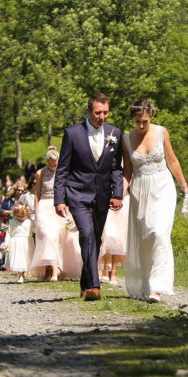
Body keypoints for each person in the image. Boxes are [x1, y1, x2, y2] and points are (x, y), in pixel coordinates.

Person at [55, 93, 124, 301]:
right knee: (86, 234)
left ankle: (85, 284)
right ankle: (94, 286)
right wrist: (59, 199)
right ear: (88, 111)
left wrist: (117, 193)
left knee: (95, 238)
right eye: (97, 113)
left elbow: (116, 168)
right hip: (77, 194)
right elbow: (63, 169)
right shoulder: (72, 133)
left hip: (102, 195)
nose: (102, 117)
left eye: (105, 112)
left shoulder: (115, 133)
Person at [121, 99, 188, 303]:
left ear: (151, 117)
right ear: (132, 120)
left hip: (163, 187)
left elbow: (172, 160)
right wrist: (120, 192)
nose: (141, 126)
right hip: (140, 190)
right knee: (144, 239)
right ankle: (145, 283)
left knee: (160, 233)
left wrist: (184, 185)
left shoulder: (161, 132)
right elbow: (127, 171)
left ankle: (157, 288)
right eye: (137, 122)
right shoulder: (126, 139)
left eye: (145, 121)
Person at [29, 146, 78, 282]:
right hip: (44, 206)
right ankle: (52, 268)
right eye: (51, 164)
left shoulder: (64, 172)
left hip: (60, 205)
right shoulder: (41, 173)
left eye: (55, 164)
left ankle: (58, 269)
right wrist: (36, 211)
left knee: (62, 237)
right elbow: (37, 194)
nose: (53, 167)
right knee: (47, 235)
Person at [98, 171, 130, 284]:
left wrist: (120, 193)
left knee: (118, 237)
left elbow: (130, 177)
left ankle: (114, 271)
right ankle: (106, 268)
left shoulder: (125, 162)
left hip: (123, 201)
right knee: (107, 235)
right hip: (106, 200)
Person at [6, 203, 34, 283]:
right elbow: (9, 233)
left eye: (23, 216)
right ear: (15, 214)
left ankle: (26, 272)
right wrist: (7, 243)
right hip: (16, 242)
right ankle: (20, 275)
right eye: (19, 216)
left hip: (26, 242)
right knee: (18, 259)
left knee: (26, 259)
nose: (21, 218)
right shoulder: (12, 222)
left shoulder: (29, 222)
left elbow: (33, 231)